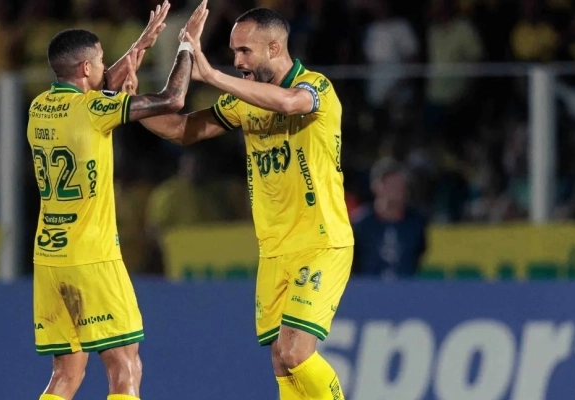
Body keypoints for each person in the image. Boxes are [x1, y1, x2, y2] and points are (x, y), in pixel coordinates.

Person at [140, 6, 352, 400]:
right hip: (274, 248)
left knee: (295, 351)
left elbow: (290, 103)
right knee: (280, 360)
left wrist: (213, 75)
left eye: (244, 52)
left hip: (321, 241)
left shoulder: (315, 86)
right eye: (233, 52)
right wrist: (125, 103)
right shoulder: (245, 102)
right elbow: (182, 129)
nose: (237, 61)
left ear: (275, 46)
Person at [27, 2, 209, 399]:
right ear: (85, 70)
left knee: (66, 374)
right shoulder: (94, 110)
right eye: (101, 60)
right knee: (124, 364)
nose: (105, 66)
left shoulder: (38, 109)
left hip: (49, 259)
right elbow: (173, 100)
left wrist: (138, 46)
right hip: (92, 257)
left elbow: (103, 83)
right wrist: (186, 47)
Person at [351, 158, 428, 279]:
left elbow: (419, 258)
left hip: (406, 292)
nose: (397, 191)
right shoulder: (360, 223)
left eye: (400, 186)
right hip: (367, 292)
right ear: (376, 186)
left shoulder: (416, 224)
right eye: (391, 185)